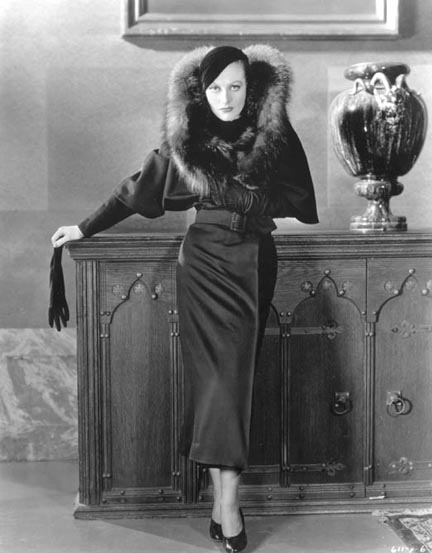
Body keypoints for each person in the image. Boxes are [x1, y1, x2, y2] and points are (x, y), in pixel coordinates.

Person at [51, 45, 318, 553]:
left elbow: (297, 198)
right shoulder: (188, 136)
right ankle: (228, 506)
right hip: (203, 265)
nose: (226, 98)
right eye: (215, 88)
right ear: (201, 91)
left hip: (254, 260)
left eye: (235, 86)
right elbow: (138, 188)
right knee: (218, 382)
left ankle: (222, 503)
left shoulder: (273, 134)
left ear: (251, 89)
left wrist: (251, 199)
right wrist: (84, 228)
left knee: (234, 380)